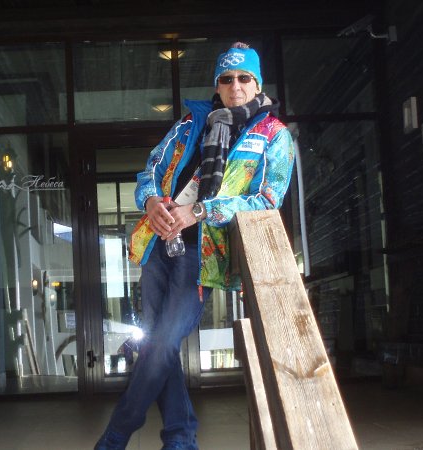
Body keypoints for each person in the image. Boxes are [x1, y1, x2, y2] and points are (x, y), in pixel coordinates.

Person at [94, 42, 295, 450]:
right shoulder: (191, 124)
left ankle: (116, 435)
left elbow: (267, 200)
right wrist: (151, 202)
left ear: (258, 84)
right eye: (227, 78)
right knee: (158, 345)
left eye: (244, 78)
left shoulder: (273, 135)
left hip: (201, 255)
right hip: (159, 245)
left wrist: (201, 210)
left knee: (163, 343)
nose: (236, 86)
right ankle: (180, 438)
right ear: (217, 85)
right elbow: (151, 168)